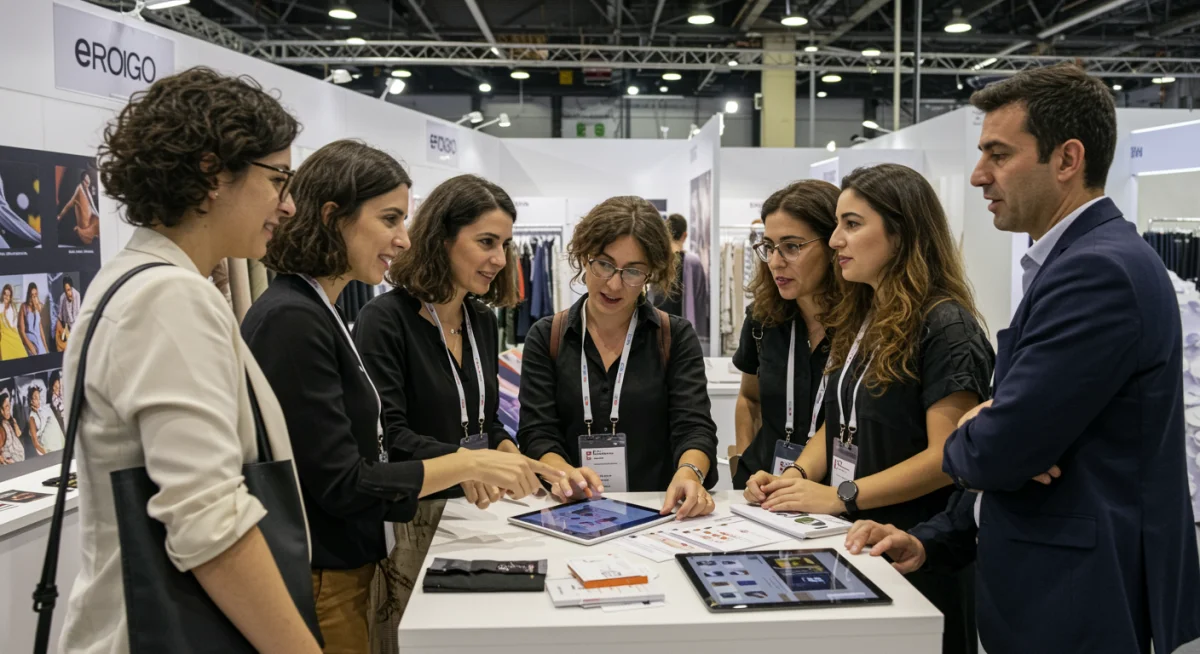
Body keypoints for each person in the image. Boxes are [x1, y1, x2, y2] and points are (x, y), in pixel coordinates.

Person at [849, 63, 1200, 654]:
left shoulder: (1099, 271)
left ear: (1067, 159)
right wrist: (935, 538)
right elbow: (1013, 444)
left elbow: (998, 448)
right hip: (1052, 587)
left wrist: (978, 428)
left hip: (1078, 598)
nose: (979, 175)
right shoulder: (1074, 262)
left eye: (998, 154)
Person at [245, 146, 558, 654]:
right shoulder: (299, 318)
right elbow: (347, 475)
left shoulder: (315, 310)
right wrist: (463, 463)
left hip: (367, 551)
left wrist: (497, 456)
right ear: (333, 217)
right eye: (389, 218)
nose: (401, 237)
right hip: (331, 564)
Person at [58, 67, 323, 654]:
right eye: (278, 179)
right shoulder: (168, 297)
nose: (287, 204)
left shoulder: (133, 283)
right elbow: (208, 522)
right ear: (212, 173)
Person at [743, 164, 994, 654]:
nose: (836, 240)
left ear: (901, 233)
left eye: (852, 224)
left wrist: (842, 494)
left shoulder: (946, 328)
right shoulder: (864, 316)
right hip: (856, 541)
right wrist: (795, 476)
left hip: (915, 550)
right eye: (837, 224)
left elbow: (948, 458)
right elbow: (836, 424)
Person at [353, 174, 544, 641]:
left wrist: (506, 452)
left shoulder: (480, 318)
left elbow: (488, 418)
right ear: (441, 238)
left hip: (479, 516)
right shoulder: (385, 320)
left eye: (505, 244)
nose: (500, 259)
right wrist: (467, 463)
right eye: (486, 242)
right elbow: (388, 435)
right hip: (412, 521)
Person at [518, 195, 719, 518]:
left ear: (650, 274)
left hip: (657, 512)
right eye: (604, 264)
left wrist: (690, 472)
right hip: (572, 509)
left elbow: (694, 425)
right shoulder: (547, 336)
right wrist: (562, 473)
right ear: (585, 258)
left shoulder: (674, 336)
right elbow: (537, 431)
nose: (614, 283)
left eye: (632, 272)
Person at [731, 180, 841, 489]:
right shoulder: (762, 319)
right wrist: (743, 462)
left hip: (836, 494)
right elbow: (749, 398)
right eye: (769, 247)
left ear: (834, 244)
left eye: (792, 247)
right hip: (763, 485)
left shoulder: (864, 329)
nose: (776, 262)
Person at [651, 213, 689, 317]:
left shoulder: (658, 260)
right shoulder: (689, 262)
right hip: (680, 319)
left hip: (658, 317)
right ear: (684, 235)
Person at [57, 170, 100, 247]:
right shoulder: (79, 189)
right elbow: (68, 204)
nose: (88, 183)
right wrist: (60, 216)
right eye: (86, 181)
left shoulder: (87, 190)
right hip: (75, 234)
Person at [28, 384, 64, 455]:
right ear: (31, 401)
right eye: (35, 398)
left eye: (38, 397)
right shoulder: (32, 418)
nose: (38, 400)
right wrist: (46, 453)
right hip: (47, 448)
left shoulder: (44, 410)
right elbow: (35, 443)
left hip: (55, 441)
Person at [20, 282, 48, 355]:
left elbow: (40, 328)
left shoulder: (39, 306)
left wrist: (46, 346)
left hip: (39, 340)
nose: (34, 297)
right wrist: (31, 346)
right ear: (29, 295)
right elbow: (22, 331)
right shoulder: (24, 307)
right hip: (30, 341)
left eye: (35, 294)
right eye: (32, 295)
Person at [56, 275, 81, 352]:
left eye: (69, 290)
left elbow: (76, 316)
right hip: (65, 327)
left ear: (72, 288)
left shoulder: (77, 295)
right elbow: (60, 317)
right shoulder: (62, 298)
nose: (68, 293)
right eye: (66, 291)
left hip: (75, 326)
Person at [0, 284, 25, 361]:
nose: (6, 297)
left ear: (10, 297)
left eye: (8, 295)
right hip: (3, 339)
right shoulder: (0, 307)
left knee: (22, 356)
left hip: (13, 337)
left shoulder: (12, 310)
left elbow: (14, 327)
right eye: (5, 294)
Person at [0, 390, 23, 464]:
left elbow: (19, 434)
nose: (9, 408)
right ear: (1, 410)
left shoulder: (11, 421)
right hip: (10, 461)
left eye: (9, 405)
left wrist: (14, 423)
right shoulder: (1, 428)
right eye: (6, 406)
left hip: (19, 458)